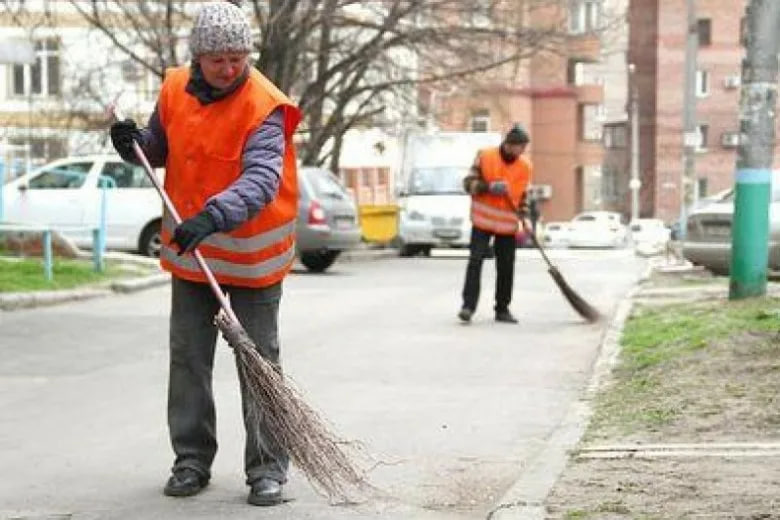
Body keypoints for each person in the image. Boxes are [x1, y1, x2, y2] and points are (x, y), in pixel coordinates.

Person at [109, 1, 300, 507]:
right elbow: (158, 149)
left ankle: (267, 469)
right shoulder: (174, 87)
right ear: (198, 55)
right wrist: (132, 145)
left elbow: (261, 179)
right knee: (188, 360)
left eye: (239, 57)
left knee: (258, 364)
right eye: (219, 58)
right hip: (192, 259)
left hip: (252, 261)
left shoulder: (265, 106)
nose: (230, 68)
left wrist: (214, 216)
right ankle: (191, 461)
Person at [458, 124, 533, 324]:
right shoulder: (485, 156)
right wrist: (488, 187)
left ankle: (502, 309)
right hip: (482, 222)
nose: (522, 151)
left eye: (524, 148)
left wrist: (526, 219)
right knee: (475, 262)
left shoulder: (525, 167)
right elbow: (468, 184)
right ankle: (468, 307)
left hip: (507, 225)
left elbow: (523, 196)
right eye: (520, 147)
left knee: (506, 267)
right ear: (509, 145)